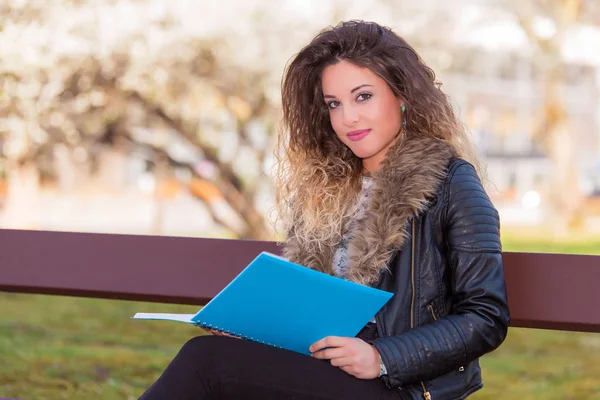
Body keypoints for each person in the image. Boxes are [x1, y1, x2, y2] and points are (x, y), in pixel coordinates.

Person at [138, 20, 509, 400]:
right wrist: (252, 328)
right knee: (214, 358)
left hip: (399, 386)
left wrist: (382, 357)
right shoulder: (326, 188)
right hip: (322, 370)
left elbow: (485, 317)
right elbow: (311, 308)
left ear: (402, 95)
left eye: (363, 97)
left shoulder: (451, 183)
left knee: (205, 362)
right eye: (334, 104)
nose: (348, 118)